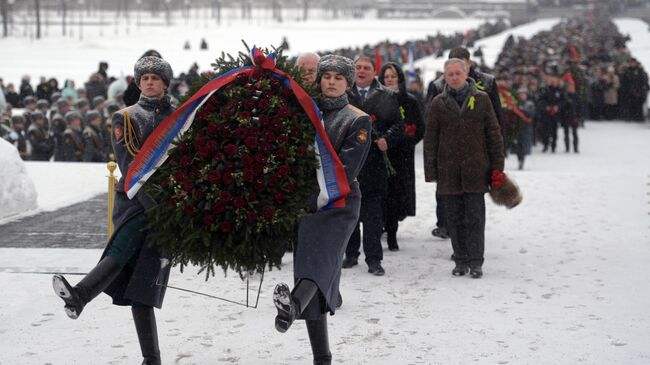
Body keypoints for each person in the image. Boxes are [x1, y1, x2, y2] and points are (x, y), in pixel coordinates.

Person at [52, 56, 175, 365]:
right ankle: (80, 295)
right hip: (135, 202)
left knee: (143, 286)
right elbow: (128, 163)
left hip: (169, 209)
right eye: (144, 77)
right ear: (137, 83)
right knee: (123, 247)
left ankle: (150, 357)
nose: (149, 82)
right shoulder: (126, 116)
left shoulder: (179, 118)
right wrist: (153, 202)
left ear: (165, 84)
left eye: (155, 78)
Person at [273, 54, 371, 365]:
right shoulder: (306, 112)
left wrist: (310, 192)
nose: (330, 82)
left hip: (339, 204)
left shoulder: (357, 119)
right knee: (310, 273)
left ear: (348, 83)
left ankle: (293, 307)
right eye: (326, 76)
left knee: (317, 265)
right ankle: (321, 356)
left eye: (338, 78)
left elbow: (346, 168)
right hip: (307, 204)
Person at [423, 58, 505, 279]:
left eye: (458, 73)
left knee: (475, 218)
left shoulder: (482, 99)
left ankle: (476, 261)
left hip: (476, 170)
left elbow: (493, 135)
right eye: (450, 74)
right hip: (448, 171)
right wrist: (431, 171)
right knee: (454, 218)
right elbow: (430, 139)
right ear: (444, 76)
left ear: (466, 72)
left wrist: (498, 167)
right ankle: (460, 260)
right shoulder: (439, 103)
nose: (454, 78)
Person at [343, 54, 403, 276]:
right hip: (351, 163)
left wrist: (387, 139)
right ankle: (350, 254)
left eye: (366, 67)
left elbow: (398, 124)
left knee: (373, 217)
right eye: (357, 67)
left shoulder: (386, 95)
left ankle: (374, 259)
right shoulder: (344, 94)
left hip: (375, 164)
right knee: (350, 213)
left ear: (373, 71)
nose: (361, 71)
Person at [378, 62, 425, 251]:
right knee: (380, 195)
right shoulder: (376, 98)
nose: (390, 80)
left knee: (396, 196)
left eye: (393, 76)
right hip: (380, 154)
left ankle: (392, 233)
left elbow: (420, 128)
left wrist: (405, 140)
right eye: (386, 77)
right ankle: (380, 227)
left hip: (402, 156)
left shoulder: (410, 101)